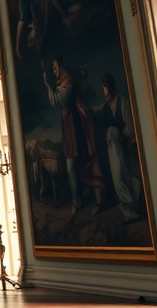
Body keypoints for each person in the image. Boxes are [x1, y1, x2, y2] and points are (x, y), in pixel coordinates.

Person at [45, 54, 105, 219]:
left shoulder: (68, 81)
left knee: (84, 160)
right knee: (71, 165)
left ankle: (95, 200)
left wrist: (49, 87)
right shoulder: (60, 84)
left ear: (62, 66)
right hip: (68, 127)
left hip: (77, 126)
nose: (55, 71)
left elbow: (62, 101)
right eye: (54, 69)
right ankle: (76, 202)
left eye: (56, 68)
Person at [97, 73, 142, 222]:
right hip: (112, 148)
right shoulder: (106, 107)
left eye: (105, 88)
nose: (104, 92)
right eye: (102, 89)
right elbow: (96, 110)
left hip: (123, 146)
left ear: (111, 87)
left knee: (123, 178)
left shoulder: (123, 102)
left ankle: (131, 210)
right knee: (118, 179)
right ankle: (128, 210)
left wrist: (119, 134)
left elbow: (130, 126)